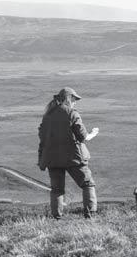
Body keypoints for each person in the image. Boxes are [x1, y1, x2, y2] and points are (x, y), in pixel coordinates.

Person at [38, 87, 99, 219]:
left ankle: (57, 217)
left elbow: (42, 138)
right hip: (74, 158)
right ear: (68, 99)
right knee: (88, 184)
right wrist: (93, 133)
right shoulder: (72, 113)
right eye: (74, 99)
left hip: (52, 159)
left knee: (57, 190)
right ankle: (90, 214)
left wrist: (41, 159)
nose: (75, 102)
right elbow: (83, 137)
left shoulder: (47, 115)